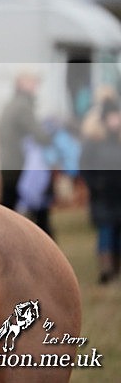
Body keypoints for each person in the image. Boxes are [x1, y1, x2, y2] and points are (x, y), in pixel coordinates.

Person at [80, 96, 121, 284]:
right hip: (103, 195)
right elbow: (85, 166)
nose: (115, 120)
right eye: (112, 117)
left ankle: (116, 268)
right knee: (106, 230)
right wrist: (96, 185)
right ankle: (106, 269)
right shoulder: (94, 141)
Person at [0, 70, 52, 209]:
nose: (36, 85)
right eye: (32, 82)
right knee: (21, 202)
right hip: (19, 163)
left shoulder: (12, 103)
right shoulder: (23, 106)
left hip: (9, 161)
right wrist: (52, 135)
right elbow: (39, 134)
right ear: (21, 83)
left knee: (8, 201)